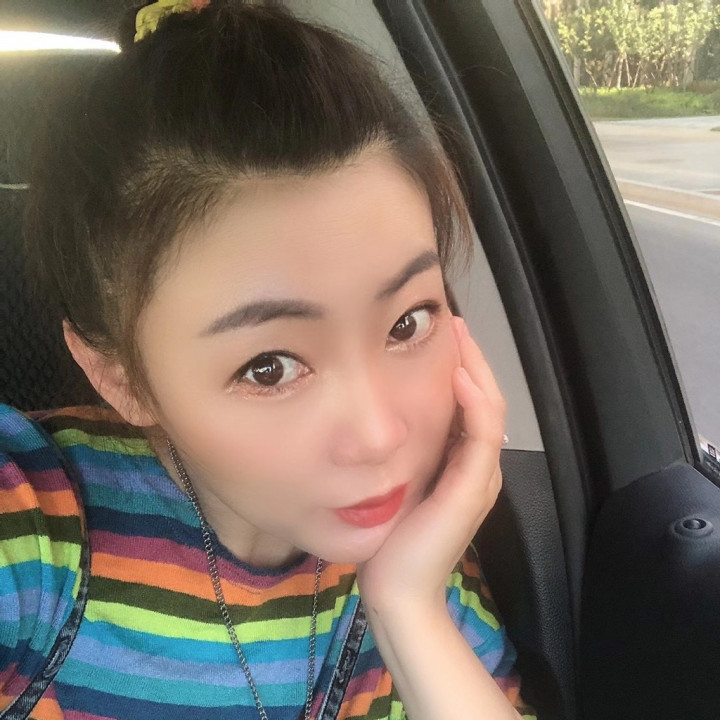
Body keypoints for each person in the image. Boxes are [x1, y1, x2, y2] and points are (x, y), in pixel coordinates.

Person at [0, 1, 537, 718]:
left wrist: (408, 608)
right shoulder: (34, 538)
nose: (380, 436)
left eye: (407, 323)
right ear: (120, 378)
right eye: (269, 368)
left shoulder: (429, 558)